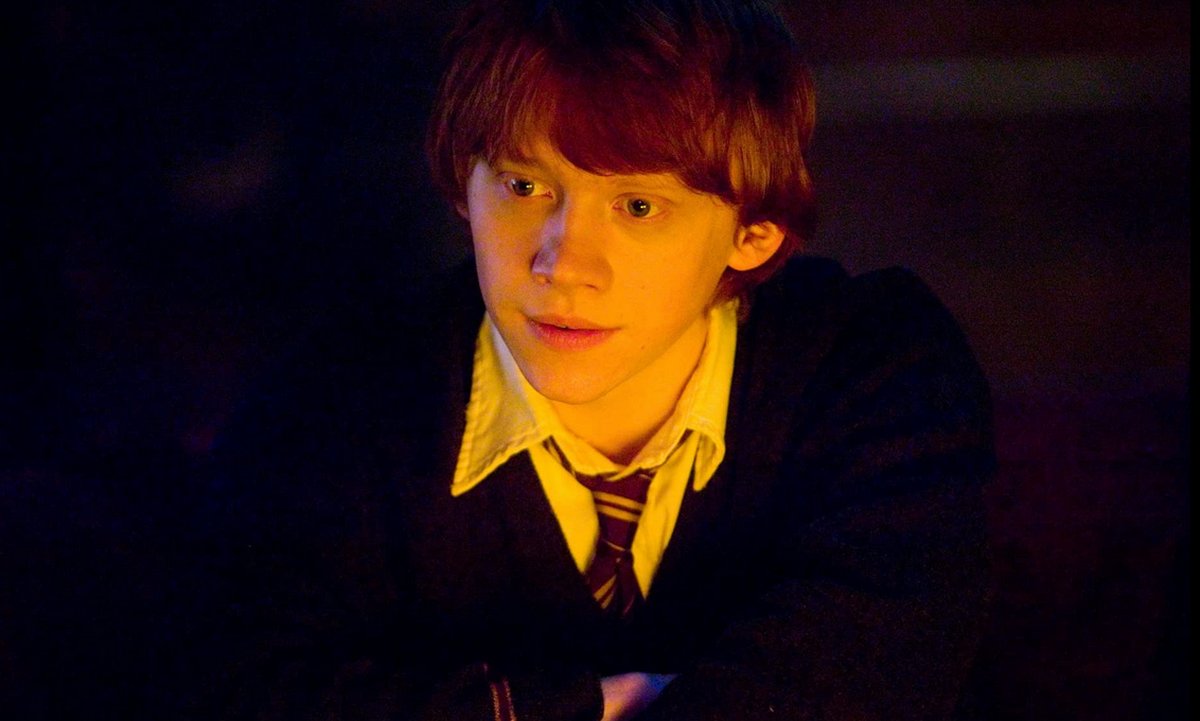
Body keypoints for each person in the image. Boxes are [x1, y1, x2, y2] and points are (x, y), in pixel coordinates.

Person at [211, 1, 995, 719]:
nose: (563, 264)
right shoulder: (335, 407)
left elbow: (870, 675)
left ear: (752, 233)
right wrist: (566, 706)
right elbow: (225, 681)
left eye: (638, 206)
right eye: (524, 185)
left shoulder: (871, 371)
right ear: (462, 185)